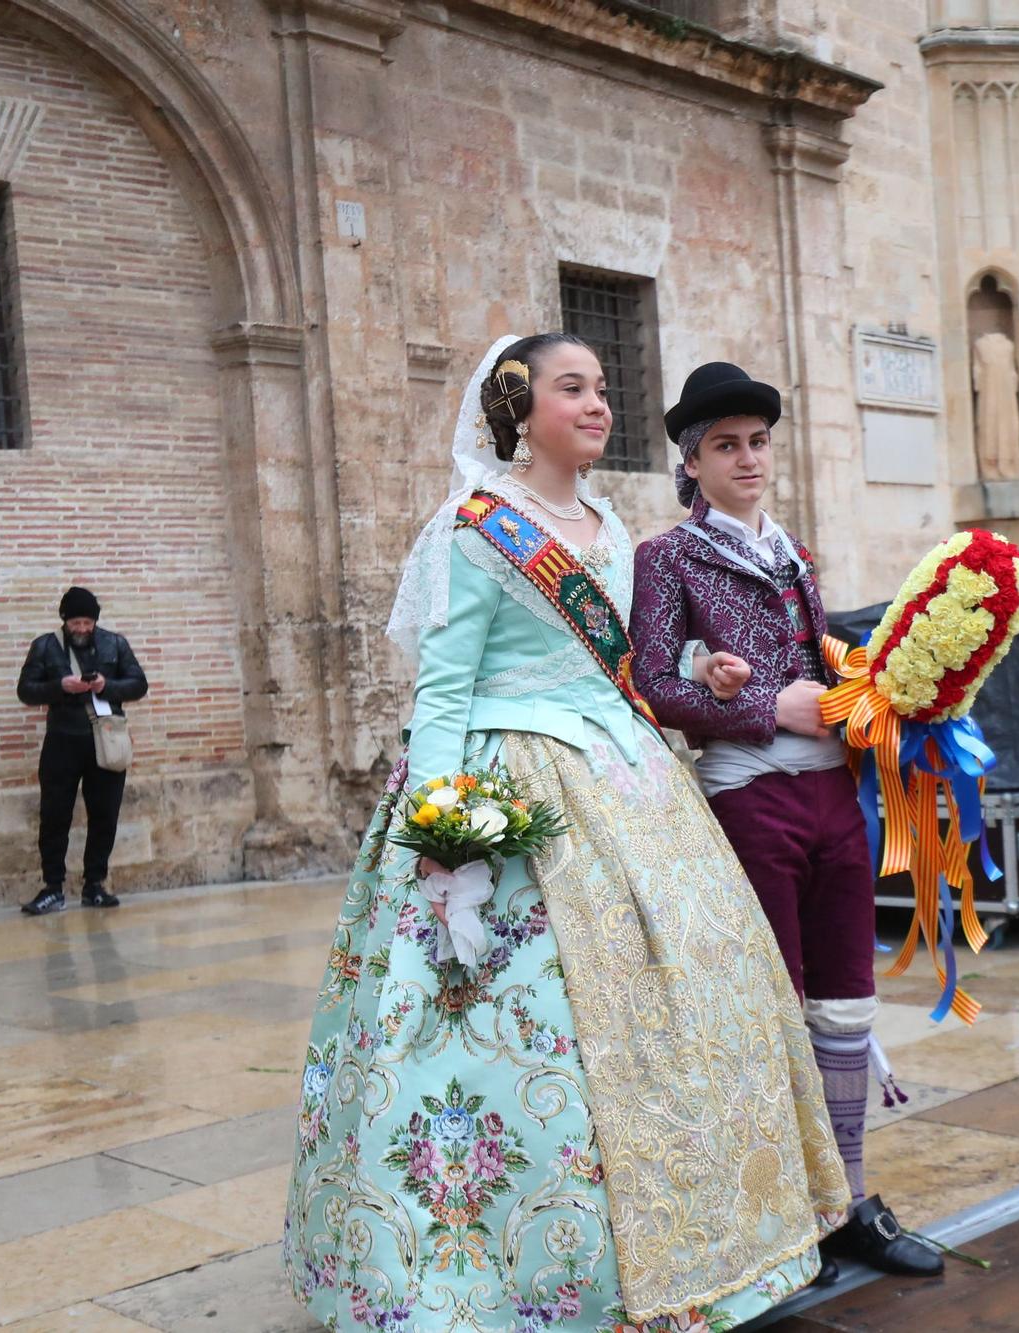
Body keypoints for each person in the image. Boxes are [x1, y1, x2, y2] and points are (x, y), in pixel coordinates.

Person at [283, 335, 849, 1333]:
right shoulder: (475, 529)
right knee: (516, 1040)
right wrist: (445, 829)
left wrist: (708, 677)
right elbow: (446, 687)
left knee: (689, 1000)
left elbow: (623, 665)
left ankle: (707, 1244)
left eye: (599, 387)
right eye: (572, 387)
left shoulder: (605, 522)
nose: (596, 403)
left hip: (625, 777)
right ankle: (502, 1282)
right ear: (520, 406)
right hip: (517, 784)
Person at [630, 362, 943, 1279]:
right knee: (773, 1001)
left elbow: (824, 668)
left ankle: (843, 1197)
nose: (747, 458)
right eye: (725, 445)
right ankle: (779, 1212)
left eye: (758, 442)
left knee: (844, 998)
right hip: (750, 795)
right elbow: (654, 684)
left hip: (834, 799)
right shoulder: (667, 557)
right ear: (692, 463)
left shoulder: (794, 552)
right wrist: (768, 705)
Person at [15, 587, 147, 914]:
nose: (82, 629)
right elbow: (26, 691)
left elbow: (139, 683)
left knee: (104, 815)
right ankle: (53, 888)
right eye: (76, 622)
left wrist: (107, 686)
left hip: (105, 741)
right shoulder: (45, 647)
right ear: (64, 620)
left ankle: (95, 885)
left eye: (88, 622)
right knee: (54, 816)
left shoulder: (115, 643)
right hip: (61, 741)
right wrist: (59, 687)